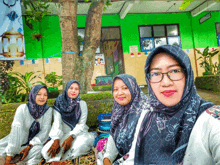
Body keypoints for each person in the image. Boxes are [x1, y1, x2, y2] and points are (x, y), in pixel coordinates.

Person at [102, 45, 220, 165]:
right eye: (155, 74)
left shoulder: (211, 120)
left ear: (187, 74)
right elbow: (133, 156)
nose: (165, 82)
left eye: (175, 71)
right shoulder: (147, 116)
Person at [97, 74, 150, 165]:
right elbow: (113, 134)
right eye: (115, 89)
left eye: (125, 88)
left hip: (142, 159)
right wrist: (107, 158)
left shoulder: (146, 112)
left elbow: (139, 152)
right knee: (100, 145)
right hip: (124, 156)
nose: (120, 93)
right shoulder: (118, 109)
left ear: (133, 88)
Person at [41, 80, 95, 162]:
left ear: (79, 91)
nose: (73, 91)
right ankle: (63, 157)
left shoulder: (82, 104)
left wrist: (71, 137)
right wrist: (56, 140)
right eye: (71, 88)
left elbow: (81, 124)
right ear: (66, 89)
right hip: (62, 134)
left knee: (79, 146)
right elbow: (57, 122)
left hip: (78, 133)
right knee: (45, 152)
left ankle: (64, 158)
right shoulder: (59, 102)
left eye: (76, 89)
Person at [0, 85, 53, 165]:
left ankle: (17, 164)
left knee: (39, 150)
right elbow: (16, 132)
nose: (42, 97)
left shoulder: (48, 110)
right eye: (38, 94)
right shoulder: (22, 109)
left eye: (45, 95)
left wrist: (29, 146)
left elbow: (44, 132)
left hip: (32, 146)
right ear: (33, 95)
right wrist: (10, 154)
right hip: (14, 143)